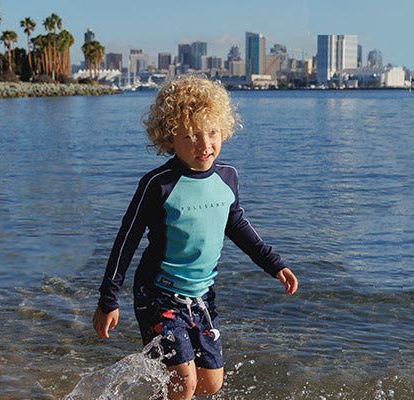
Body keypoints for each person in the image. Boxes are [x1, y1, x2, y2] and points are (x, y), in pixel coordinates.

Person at [92, 76, 299, 400]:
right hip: (157, 294)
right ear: (169, 137)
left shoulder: (227, 177)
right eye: (191, 136)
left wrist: (273, 264)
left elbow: (237, 225)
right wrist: (108, 299)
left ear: (224, 129)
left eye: (212, 133)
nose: (205, 146)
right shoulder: (157, 184)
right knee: (184, 384)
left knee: (210, 384)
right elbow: (126, 241)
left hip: (202, 295)